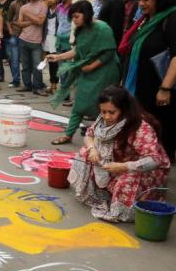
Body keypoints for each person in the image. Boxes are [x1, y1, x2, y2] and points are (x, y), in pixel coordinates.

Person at [69, 86, 170, 222]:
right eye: (103, 112)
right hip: (114, 164)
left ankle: (124, 205)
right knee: (84, 153)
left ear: (124, 110)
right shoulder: (102, 120)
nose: (106, 117)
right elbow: (89, 135)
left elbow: (155, 160)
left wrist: (124, 167)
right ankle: (104, 193)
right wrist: (92, 149)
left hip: (142, 169)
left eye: (112, 112)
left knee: (127, 181)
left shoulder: (139, 127)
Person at [120, 0, 176, 162]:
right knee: (139, 137)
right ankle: (137, 179)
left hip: (160, 92)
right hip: (140, 89)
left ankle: (155, 184)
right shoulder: (146, 18)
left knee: (158, 139)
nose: (141, 4)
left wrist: (165, 88)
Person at [48, 0, 120, 145]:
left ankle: (106, 138)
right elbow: (77, 51)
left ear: (86, 14)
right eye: (72, 17)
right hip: (87, 70)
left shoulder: (102, 28)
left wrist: (91, 66)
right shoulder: (81, 29)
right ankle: (68, 135)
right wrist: (58, 56)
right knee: (80, 103)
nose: (74, 20)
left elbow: (109, 53)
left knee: (103, 106)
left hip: (105, 71)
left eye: (76, 16)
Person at [16, 0, 49, 96]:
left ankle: (38, 87)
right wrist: (33, 21)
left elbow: (40, 22)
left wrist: (27, 15)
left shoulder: (43, 6)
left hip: (36, 41)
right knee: (25, 65)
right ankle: (27, 85)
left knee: (37, 66)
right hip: (23, 39)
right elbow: (19, 23)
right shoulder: (23, 7)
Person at [5, 0, 29, 88]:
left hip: (29, 35)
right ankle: (16, 80)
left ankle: (29, 82)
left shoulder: (34, 4)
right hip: (15, 34)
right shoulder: (13, 4)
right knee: (14, 59)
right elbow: (9, 19)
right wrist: (10, 30)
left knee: (28, 60)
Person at [43, 0, 60, 92]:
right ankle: (52, 84)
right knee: (50, 63)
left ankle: (55, 85)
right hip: (47, 38)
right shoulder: (45, 10)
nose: (50, 0)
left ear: (57, 0)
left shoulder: (60, 10)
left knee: (55, 63)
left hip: (56, 38)